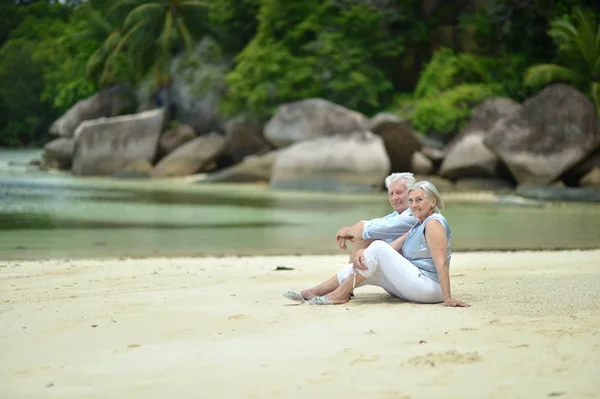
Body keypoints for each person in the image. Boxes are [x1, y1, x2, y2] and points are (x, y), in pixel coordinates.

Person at [283, 181, 469, 307]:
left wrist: (448, 298)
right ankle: (313, 292)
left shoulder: (434, 223)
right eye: (411, 201)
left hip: (430, 288)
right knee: (368, 262)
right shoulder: (417, 224)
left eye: (419, 200)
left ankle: (339, 295)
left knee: (377, 247)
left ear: (433, 201)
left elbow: (441, 263)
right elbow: (392, 248)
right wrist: (361, 253)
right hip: (416, 285)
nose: (413, 205)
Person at [335, 172, 419, 263]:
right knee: (366, 236)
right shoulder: (395, 215)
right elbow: (375, 224)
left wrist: (347, 231)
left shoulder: (414, 215)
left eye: (399, 193)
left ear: (412, 193)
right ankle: (349, 275)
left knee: (366, 236)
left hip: (412, 270)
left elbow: (364, 229)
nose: (394, 198)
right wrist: (352, 231)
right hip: (396, 266)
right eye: (391, 194)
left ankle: (349, 275)